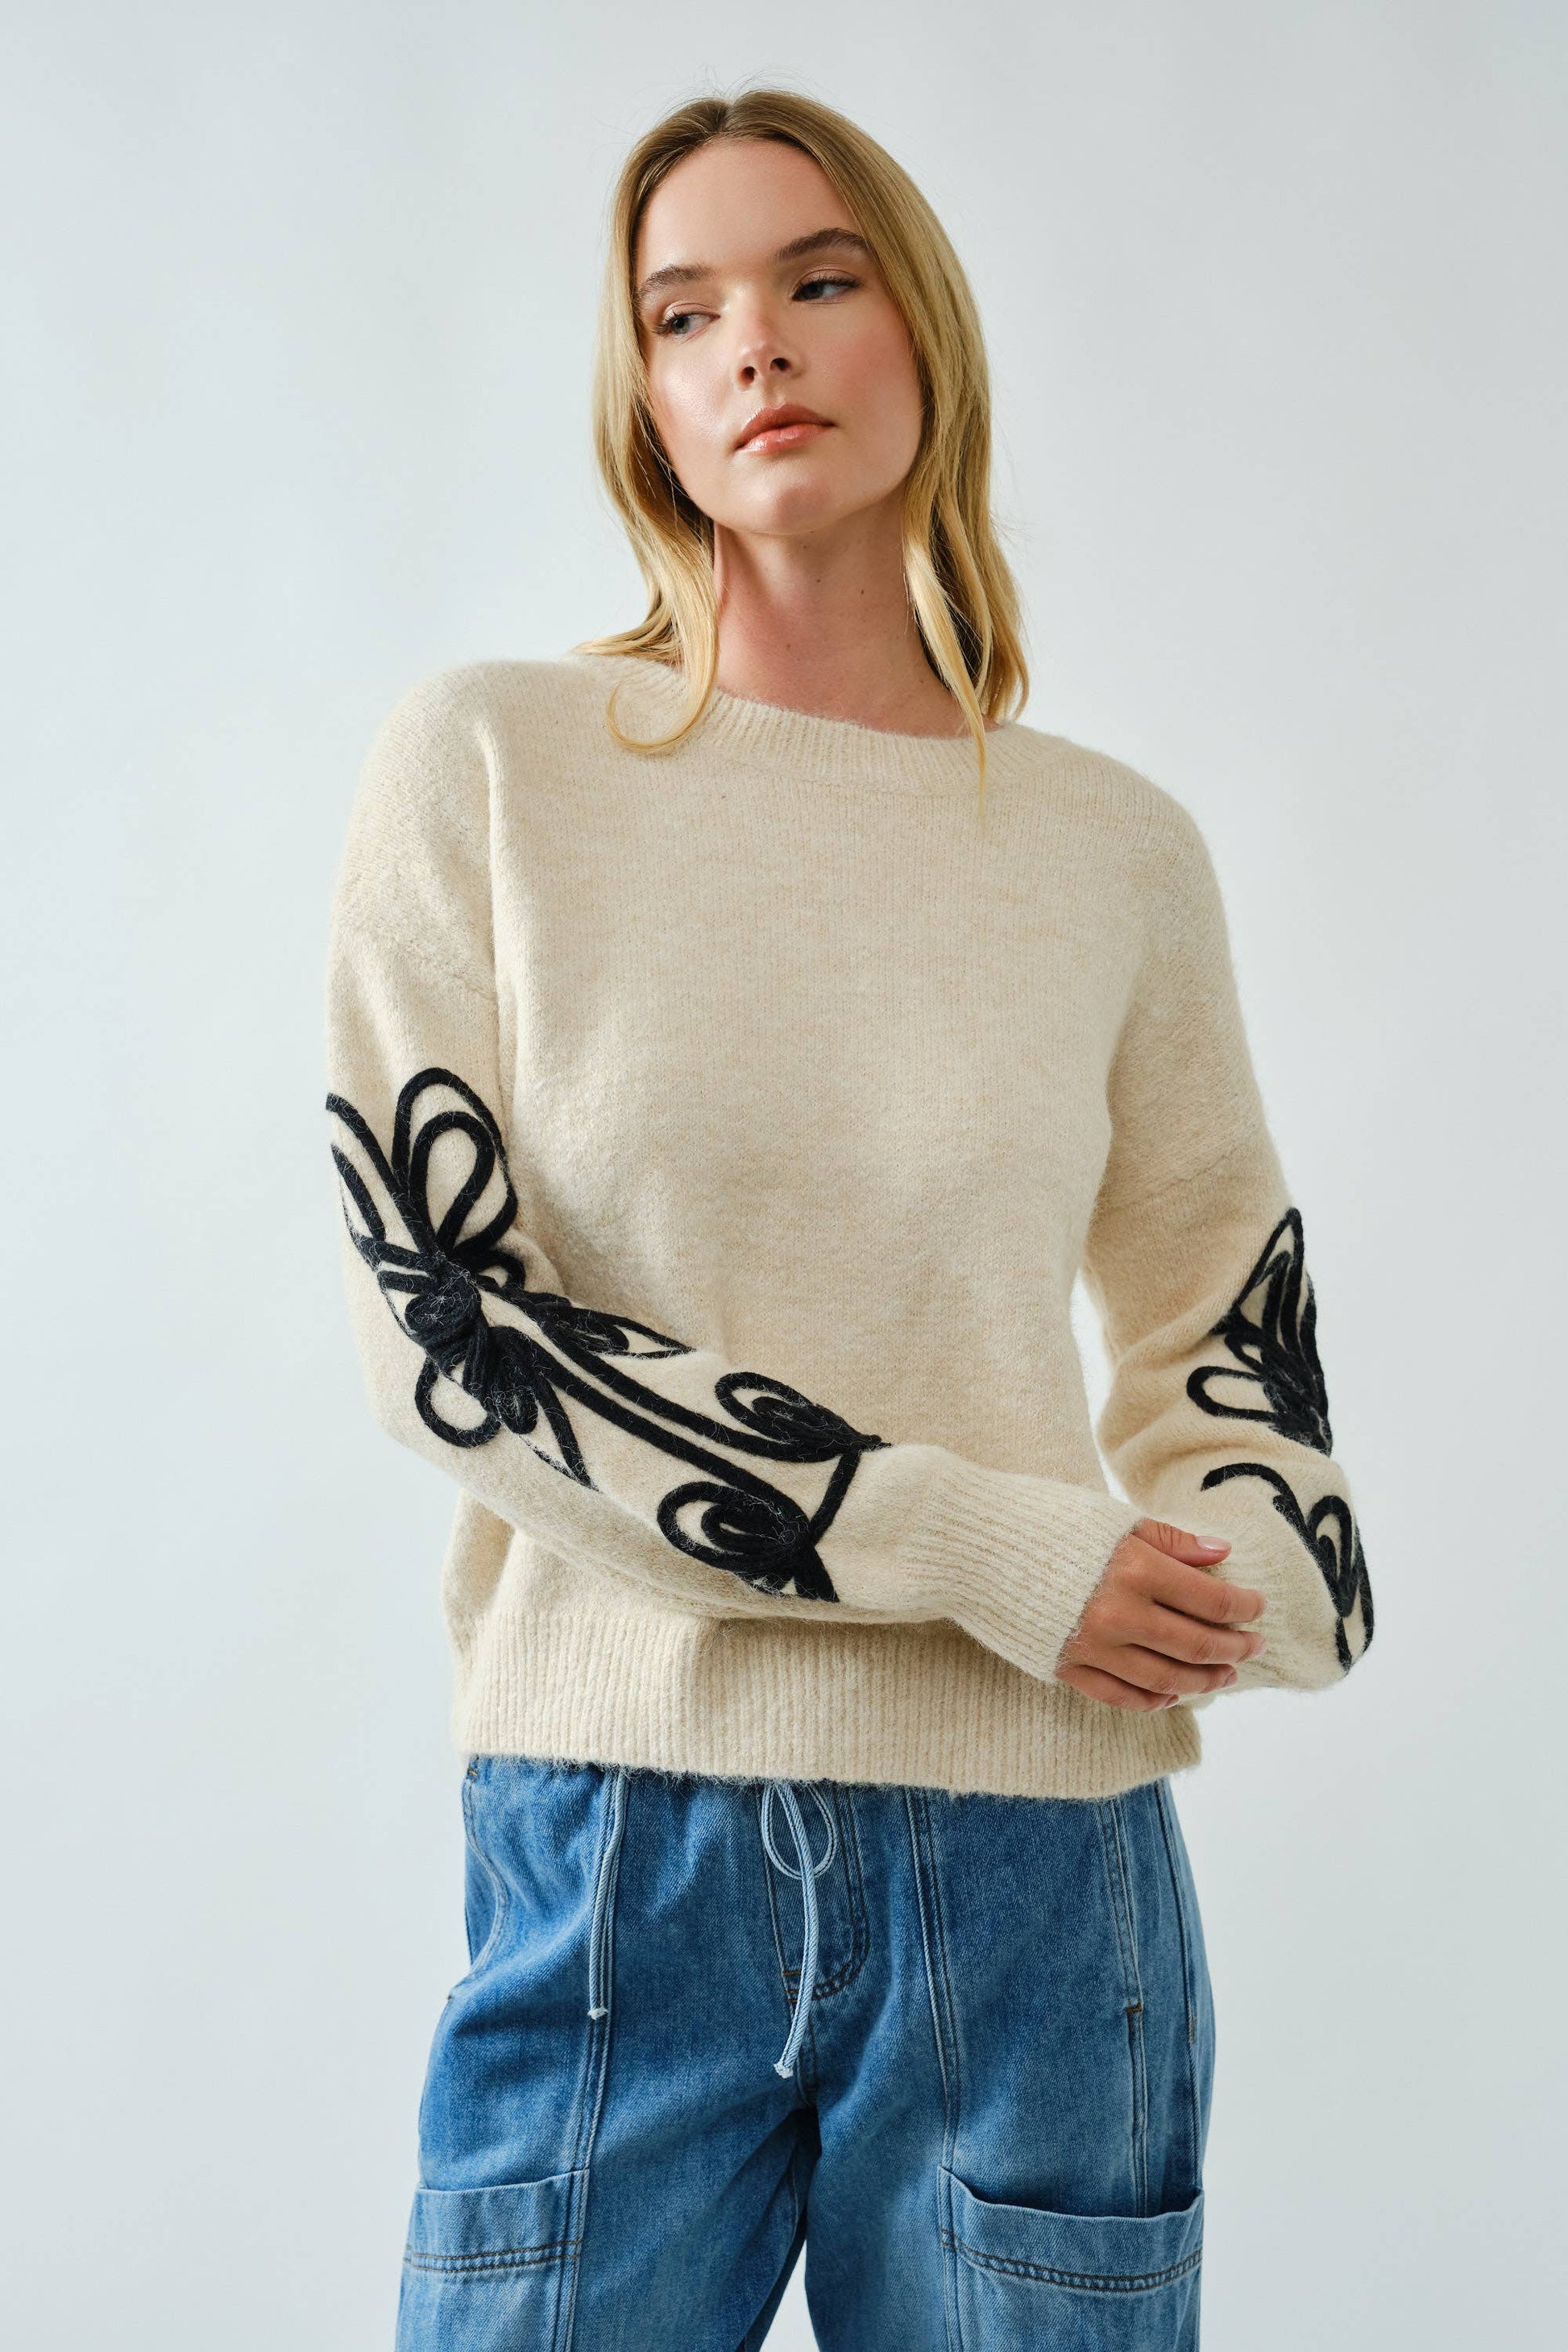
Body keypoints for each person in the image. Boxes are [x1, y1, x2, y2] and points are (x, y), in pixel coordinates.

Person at [323, 84, 1373, 2352]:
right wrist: (988, 1545)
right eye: (679, 311)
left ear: (925, 329)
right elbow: (450, 1329)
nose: (753, 347)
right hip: (625, 1835)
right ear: (639, 390)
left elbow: (1226, 1321)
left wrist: (1235, 1591)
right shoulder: (489, 765)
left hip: (1041, 1862)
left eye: (816, 278)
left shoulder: (1110, 850)